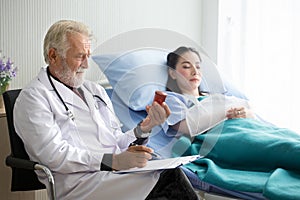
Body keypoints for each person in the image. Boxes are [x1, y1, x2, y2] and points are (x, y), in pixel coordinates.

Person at [13, 21, 199, 200]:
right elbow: (54, 155)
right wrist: (113, 161)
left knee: (170, 172)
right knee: (169, 181)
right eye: (79, 56)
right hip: (79, 184)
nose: (86, 65)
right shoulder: (34, 98)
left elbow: (115, 140)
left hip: (112, 174)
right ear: (53, 56)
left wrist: (144, 128)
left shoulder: (95, 91)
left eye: (88, 55)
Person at [161, 46, 300, 199]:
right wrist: (223, 112)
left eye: (198, 66)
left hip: (249, 127)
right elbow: (187, 127)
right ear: (172, 73)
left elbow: (250, 114)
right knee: (284, 147)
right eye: (187, 66)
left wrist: (244, 113)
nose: (195, 71)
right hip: (221, 138)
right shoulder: (172, 100)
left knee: (288, 137)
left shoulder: (216, 97)